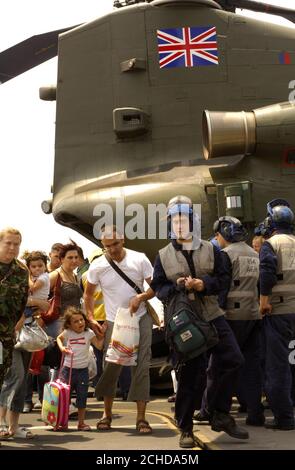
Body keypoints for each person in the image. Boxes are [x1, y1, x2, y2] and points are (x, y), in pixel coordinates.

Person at [151, 196, 247, 448]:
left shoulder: (211, 248)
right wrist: (176, 287)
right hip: (184, 322)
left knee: (233, 359)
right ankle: (185, 427)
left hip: (212, 315)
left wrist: (204, 285)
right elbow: (158, 287)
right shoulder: (162, 255)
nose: (180, 224)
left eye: (184, 219)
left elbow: (224, 279)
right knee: (189, 376)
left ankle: (219, 413)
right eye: (176, 219)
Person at [84, 225, 154, 433]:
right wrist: (90, 318)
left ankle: (141, 418)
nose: (112, 250)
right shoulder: (97, 266)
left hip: (140, 318)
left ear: (123, 240)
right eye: (107, 246)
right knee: (111, 366)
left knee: (140, 367)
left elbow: (155, 286)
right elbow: (88, 295)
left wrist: (140, 297)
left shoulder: (139, 259)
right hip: (114, 321)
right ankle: (107, 414)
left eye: (115, 244)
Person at [214, 216, 264, 426]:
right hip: (253, 315)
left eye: (217, 236)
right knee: (251, 365)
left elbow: (222, 288)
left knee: (225, 364)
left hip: (232, 318)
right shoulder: (254, 254)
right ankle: (255, 412)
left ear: (223, 234)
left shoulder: (226, 255)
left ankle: (218, 412)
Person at [259, 198, 295, 430]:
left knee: (278, 366)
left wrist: (263, 302)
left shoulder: (270, 244)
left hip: (279, 313)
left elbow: (268, 273)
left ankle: (284, 418)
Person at [56, 307, 105, 431]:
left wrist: (102, 334)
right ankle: (62, 421)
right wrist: (62, 348)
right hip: (68, 370)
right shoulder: (67, 332)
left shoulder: (89, 333)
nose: (80, 323)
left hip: (83, 371)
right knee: (64, 397)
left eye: (81, 320)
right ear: (69, 324)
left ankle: (81, 423)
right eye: (76, 321)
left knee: (82, 397)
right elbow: (59, 339)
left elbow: (99, 346)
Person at [0, 228, 28, 391]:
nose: (12, 247)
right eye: (8, 243)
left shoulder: (22, 271)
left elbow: (22, 302)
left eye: (16, 244)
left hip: (5, 335)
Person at [22, 251, 50, 322]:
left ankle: (15, 331)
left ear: (45, 266)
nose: (37, 268)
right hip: (32, 305)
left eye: (40, 266)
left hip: (34, 306)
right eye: (33, 267)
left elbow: (33, 288)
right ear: (29, 268)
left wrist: (27, 274)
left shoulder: (44, 277)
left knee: (22, 317)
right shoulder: (33, 277)